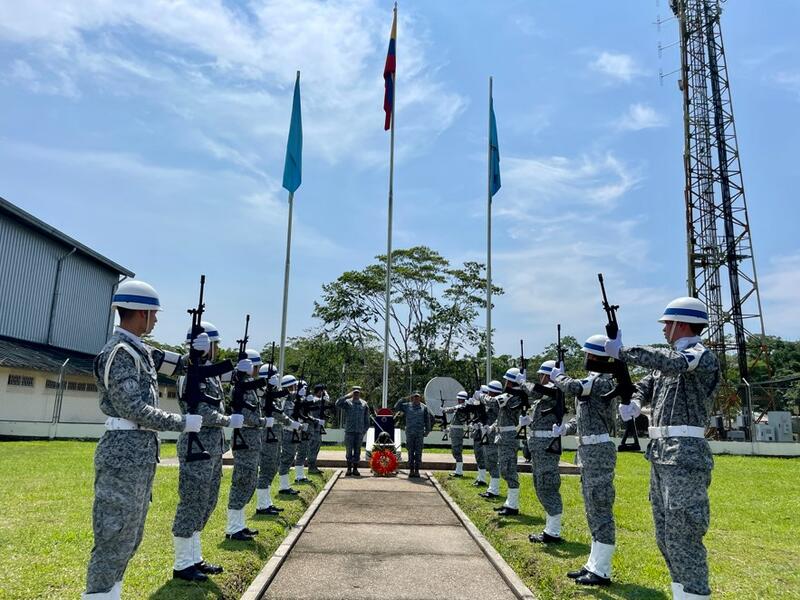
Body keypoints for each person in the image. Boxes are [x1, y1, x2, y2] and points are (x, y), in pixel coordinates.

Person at [83, 280, 203, 600]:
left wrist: (199, 352)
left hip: (138, 454)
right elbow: (133, 408)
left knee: (129, 536)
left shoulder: (139, 350)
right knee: (114, 534)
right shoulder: (120, 353)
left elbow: (178, 362)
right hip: (123, 453)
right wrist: (182, 422)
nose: (157, 320)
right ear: (140, 313)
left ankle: (111, 595)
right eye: (154, 313)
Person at [605, 297, 720, 600]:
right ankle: (681, 594)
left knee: (684, 533)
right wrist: (634, 402)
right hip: (661, 453)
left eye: (667, 324)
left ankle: (695, 595)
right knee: (666, 534)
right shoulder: (668, 363)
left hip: (685, 454)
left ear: (682, 323)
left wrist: (624, 351)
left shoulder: (699, 356)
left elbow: (668, 363)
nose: (664, 329)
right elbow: (647, 384)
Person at [172, 320, 242, 582]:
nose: (217, 350)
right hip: (196, 445)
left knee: (207, 502)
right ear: (204, 345)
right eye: (215, 344)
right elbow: (199, 411)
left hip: (212, 446)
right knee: (191, 502)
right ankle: (181, 564)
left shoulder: (210, 375)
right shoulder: (189, 374)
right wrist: (227, 420)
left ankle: (194, 558)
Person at [550, 335, 619, 587]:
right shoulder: (595, 382)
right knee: (592, 507)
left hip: (598, 451)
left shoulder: (601, 382)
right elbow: (583, 419)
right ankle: (593, 564)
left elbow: (573, 388)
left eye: (586, 354)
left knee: (600, 506)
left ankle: (602, 570)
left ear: (592, 356)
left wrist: (558, 377)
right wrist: (565, 429)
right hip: (589, 450)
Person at [224, 349, 267, 541]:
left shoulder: (250, 387)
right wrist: (262, 422)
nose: (258, 370)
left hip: (252, 440)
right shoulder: (241, 387)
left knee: (249, 480)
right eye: (256, 366)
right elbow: (248, 416)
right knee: (241, 480)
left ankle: (239, 525)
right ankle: (233, 528)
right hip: (244, 440)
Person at [524, 360, 564, 544]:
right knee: (541, 485)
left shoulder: (555, 391)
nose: (540, 378)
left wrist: (523, 382)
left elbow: (536, 390)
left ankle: (553, 532)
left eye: (542, 374)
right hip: (539, 447)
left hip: (547, 447)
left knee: (548, 485)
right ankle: (550, 529)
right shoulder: (545, 396)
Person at [254, 364, 291, 516]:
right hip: (267, 434)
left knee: (273, 466)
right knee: (267, 467)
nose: (277, 378)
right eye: (274, 375)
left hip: (275, 433)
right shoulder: (261, 393)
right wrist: (290, 422)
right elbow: (275, 413)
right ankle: (262, 505)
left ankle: (267, 502)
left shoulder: (272, 394)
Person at [491, 367, 529, 516]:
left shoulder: (510, 397)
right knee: (504, 469)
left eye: (507, 379)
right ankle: (509, 502)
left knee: (508, 469)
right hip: (503, 437)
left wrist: (480, 397)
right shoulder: (509, 396)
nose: (505, 382)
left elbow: (493, 402)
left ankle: (513, 505)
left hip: (508, 437)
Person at [276, 375, 305, 494]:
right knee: (286, 458)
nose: (295, 388)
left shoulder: (289, 399)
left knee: (289, 458)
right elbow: (287, 415)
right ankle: (283, 487)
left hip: (292, 431)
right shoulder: (284, 400)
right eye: (293, 386)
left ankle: (285, 485)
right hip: (287, 431)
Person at [394, 391, 433, 478]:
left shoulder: (424, 407)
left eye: (417, 397)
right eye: (414, 397)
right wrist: (403, 398)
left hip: (419, 433)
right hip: (410, 433)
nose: (416, 398)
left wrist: (427, 431)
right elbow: (396, 407)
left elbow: (427, 420)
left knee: (418, 452)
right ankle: (411, 470)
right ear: (412, 398)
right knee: (410, 452)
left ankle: (417, 470)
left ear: (420, 398)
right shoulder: (407, 406)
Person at [336, 386, 370, 476]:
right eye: (354, 393)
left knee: (357, 451)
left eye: (357, 392)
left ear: (360, 393)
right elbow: (337, 403)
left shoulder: (364, 404)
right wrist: (347, 396)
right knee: (349, 451)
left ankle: (355, 469)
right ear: (352, 393)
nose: (356, 394)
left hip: (359, 432)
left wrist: (364, 430)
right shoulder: (347, 402)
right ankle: (349, 469)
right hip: (349, 431)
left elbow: (367, 419)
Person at [479, 380, 504, 499]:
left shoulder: (497, 402)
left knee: (492, 460)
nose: (488, 394)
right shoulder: (491, 403)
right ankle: (492, 488)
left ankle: (494, 490)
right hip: (488, 434)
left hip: (493, 434)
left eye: (489, 391)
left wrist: (481, 396)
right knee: (489, 460)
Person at [444, 390, 470, 477]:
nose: (458, 400)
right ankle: (458, 470)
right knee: (455, 450)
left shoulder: (462, 408)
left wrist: (444, 410)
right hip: (455, 431)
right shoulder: (460, 407)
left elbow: (451, 409)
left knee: (457, 450)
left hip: (457, 432)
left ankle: (459, 471)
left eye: (459, 399)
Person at [305, 384, 329, 475]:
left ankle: (313, 466)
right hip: (313, 428)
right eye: (322, 391)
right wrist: (325, 394)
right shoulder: (314, 400)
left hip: (318, 428)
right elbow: (326, 399)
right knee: (313, 448)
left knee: (316, 448)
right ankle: (311, 467)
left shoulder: (319, 401)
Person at [469, 385, 490, 487]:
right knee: (478, 454)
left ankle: (482, 479)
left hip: (485, 432)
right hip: (478, 431)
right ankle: (480, 476)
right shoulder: (477, 404)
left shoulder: (489, 405)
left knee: (482, 455)